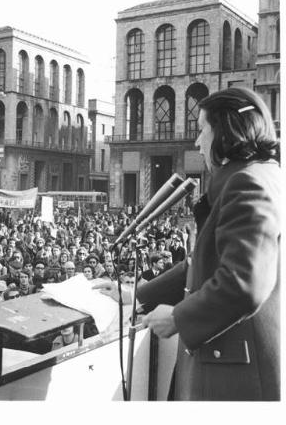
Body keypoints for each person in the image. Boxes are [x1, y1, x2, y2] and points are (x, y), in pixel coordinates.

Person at [93, 87, 280, 401]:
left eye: (203, 129)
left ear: (226, 131)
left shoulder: (247, 183)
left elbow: (245, 283)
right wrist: (138, 295)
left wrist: (179, 317)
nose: (197, 141)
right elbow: (205, 263)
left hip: (234, 374)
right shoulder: (263, 175)